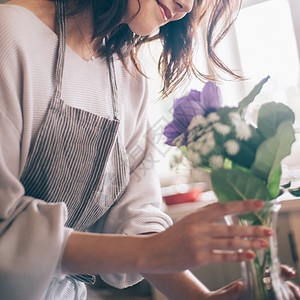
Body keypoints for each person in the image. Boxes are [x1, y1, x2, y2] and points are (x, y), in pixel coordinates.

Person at [0, 0, 299, 299]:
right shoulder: (10, 33)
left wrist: (202, 297)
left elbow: (136, 216)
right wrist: (151, 250)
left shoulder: (128, 78)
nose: (186, 5)